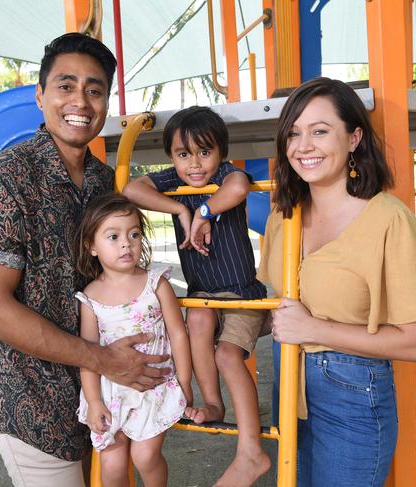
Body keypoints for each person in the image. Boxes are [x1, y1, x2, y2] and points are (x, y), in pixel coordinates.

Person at [0, 33, 170, 487]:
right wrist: (102, 359)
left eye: (94, 90)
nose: (80, 100)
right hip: (35, 403)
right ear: (40, 96)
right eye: (65, 86)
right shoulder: (1, 181)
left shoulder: (102, 184)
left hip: (109, 397)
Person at [258, 77, 416, 487]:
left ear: (354, 138)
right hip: (289, 385)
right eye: (293, 133)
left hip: (353, 393)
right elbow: (278, 311)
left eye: (320, 131)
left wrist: (313, 329)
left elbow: (415, 344)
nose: (303, 146)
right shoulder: (283, 216)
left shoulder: (387, 220)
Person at [123, 106, 270, 486]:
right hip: (204, 294)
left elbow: (238, 188)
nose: (194, 164)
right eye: (183, 154)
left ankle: (251, 450)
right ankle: (213, 402)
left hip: (240, 295)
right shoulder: (174, 181)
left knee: (226, 354)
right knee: (198, 323)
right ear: (172, 157)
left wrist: (202, 210)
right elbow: (131, 189)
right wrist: (178, 208)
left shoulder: (224, 175)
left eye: (204, 152)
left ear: (220, 151)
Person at [73, 193, 192, 486]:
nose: (126, 243)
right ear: (91, 246)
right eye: (113, 236)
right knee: (111, 465)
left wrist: (185, 383)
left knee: (145, 457)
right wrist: (93, 400)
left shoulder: (156, 283)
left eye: (134, 234)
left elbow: (179, 333)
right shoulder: (90, 298)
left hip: (153, 387)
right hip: (109, 393)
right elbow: (87, 354)